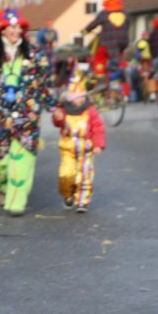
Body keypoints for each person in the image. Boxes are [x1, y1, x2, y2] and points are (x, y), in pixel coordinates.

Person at [0, 8, 54, 216]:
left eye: (19, 27)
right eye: (12, 27)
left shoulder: (35, 55)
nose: (16, 31)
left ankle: (16, 203)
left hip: (27, 117)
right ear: (2, 31)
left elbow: (46, 82)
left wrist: (53, 106)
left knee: (21, 159)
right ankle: (3, 186)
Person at [52, 79, 106, 213]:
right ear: (70, 99)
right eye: (77, 97)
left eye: (83, 96)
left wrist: (98, 144)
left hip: (85, 147)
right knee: (66, 173)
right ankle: (68, 194)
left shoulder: (90, 110)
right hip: (68, 146)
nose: (81, 100)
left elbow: (98, 127)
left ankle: (82, 201)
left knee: (85, 174)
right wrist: (57, 118)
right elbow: (58, 122)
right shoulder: (64, 109)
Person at [84, 0, 129, 78]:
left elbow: (94, 24)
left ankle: (100, 79)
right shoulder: (125, 13)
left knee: (99, 57)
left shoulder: (104, 13)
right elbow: (128, 25)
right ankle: (122, 71)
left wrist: (85, 31)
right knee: (119, 57)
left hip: (108, 42)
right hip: (123, 42)